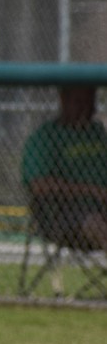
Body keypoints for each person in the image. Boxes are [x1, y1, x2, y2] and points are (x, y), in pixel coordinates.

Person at [21, 84, 107, 251]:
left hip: (102, 207)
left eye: (90, 102)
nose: (87, 108)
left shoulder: (98, 134)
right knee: (97, 224)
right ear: (63, 100)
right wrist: (94, 191)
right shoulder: (45, 136)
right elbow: (39, 186)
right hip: (61, 213)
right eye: (79, 101)